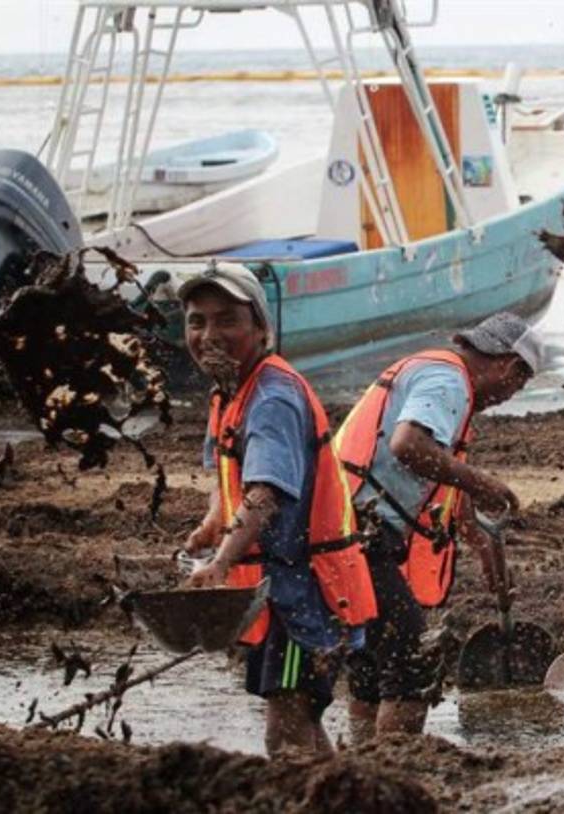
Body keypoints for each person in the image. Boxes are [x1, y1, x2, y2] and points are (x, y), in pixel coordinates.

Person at [179, 262, 377, 757]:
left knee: (285, 733)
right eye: (197, 321)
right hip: (283, 590)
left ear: (261, 329)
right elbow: (232, 477)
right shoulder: (229, 391)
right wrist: (213, 523)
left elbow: (265, 493)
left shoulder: (271, 398)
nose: (209, 335)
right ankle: (341, 792)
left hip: (307, 596)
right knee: (300, 724)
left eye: (227, 320)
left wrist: (221, 562)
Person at [334, 311, 541, 742]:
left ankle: (363, 756)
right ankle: (398, 762)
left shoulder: (435, 372)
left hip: (342, 524)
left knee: (372, 658)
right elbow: (409, 445)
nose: (508, 397)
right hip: (359, 529)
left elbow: (446, 482)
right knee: (411, 654)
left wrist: (485, 549)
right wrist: (483, 482)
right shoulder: (448, 382)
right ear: (508, 366)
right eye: (518, 386)